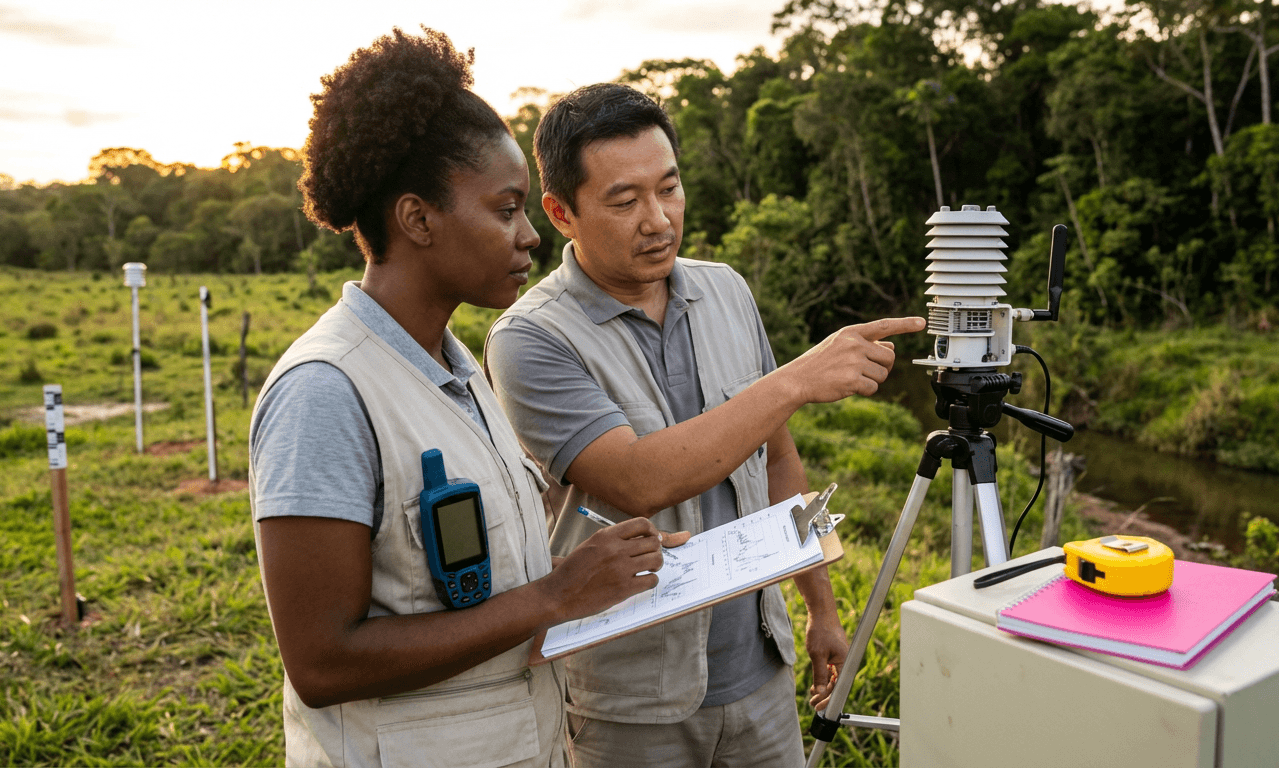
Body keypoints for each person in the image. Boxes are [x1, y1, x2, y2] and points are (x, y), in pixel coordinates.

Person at [249, 31, 686, 768]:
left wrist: (592, 569)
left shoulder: (458, 370)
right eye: (507, 209)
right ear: (418, 219)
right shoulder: (324, 393)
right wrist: (555, 596)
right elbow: (322, 664)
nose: (530, 237)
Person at [486, 83, 925, 767]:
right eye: (626, 201)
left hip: (760, 673)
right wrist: (796, 379)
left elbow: (778, 459)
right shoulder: (531, 339)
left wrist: (821, 605)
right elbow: (638, 478)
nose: (658, 220)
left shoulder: (726, 291)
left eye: (670, 188)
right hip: (627, 701)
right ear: (561, 212)